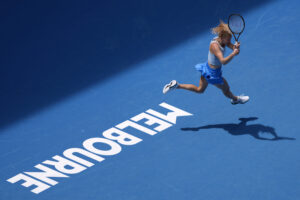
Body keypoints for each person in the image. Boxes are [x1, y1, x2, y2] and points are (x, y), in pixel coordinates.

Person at [163, 21, 249, 105]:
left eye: (230, 39)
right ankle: (236, 99)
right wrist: (233, 53)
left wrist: (235, 47)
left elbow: (232, 47)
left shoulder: (222, 40)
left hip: (207, 69)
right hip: (213, 74)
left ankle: (177, 85)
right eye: (228, 39)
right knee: (226, 90)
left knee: (199, 90)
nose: (229, 41)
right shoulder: (215, 46)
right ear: (222, 37)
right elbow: (223, 61)